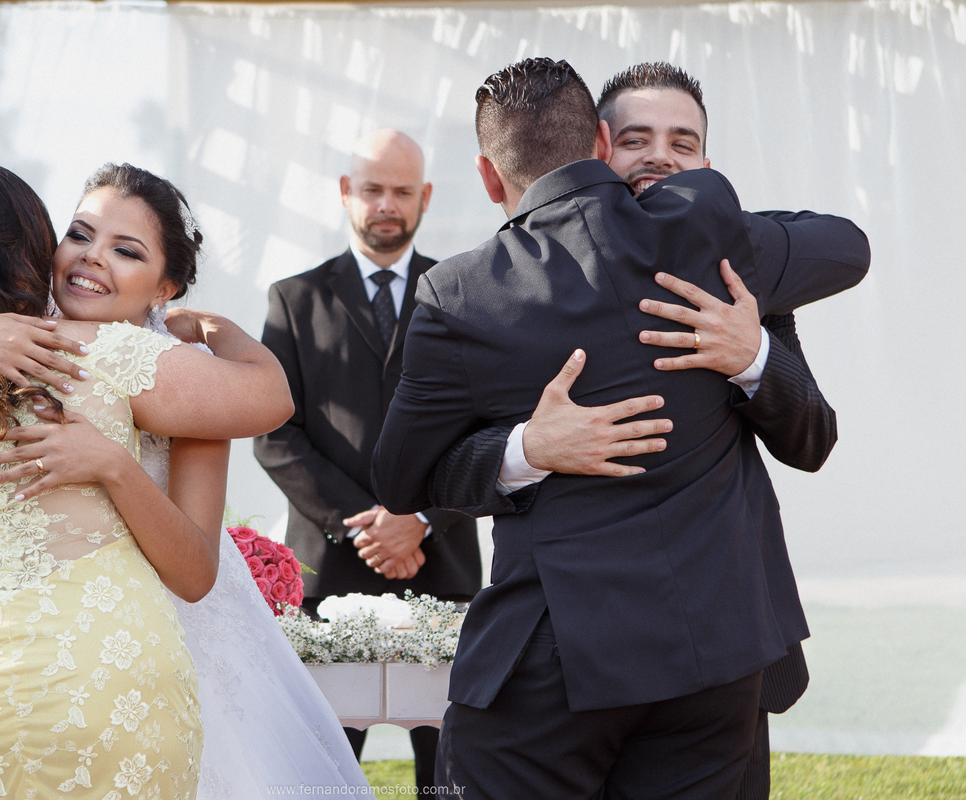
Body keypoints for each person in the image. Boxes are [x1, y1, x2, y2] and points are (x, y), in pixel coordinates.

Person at [371, 58, 868, 799]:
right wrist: (524, 451)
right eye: (639, 138)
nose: (662, 156)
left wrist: (750, 353)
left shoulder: (730, 269)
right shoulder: (714, 244)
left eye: (684, 142)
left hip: (718, 649)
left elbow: (814, 440)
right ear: (601, 146)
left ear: (706, 159)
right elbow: (845, 244)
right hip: (566, 653)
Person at [0, 163, 372, 798]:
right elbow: (268, 396)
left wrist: (201, 342)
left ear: (165, 287)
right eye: (78, 234)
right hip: (114, 676)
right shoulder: (80, 350)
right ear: (38, 250)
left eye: (127, 250)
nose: (92, 258)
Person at [253, 128, 481, 790]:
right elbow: (275, 432)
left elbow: (488, 426)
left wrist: (421, 518)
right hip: (331, 573)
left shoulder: (465, 293)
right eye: (373, 189)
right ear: (346, 192)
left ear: (426, 197)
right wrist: (368, 521)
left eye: (402, 191)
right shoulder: (293, 300)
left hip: (443, 566)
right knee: (326, 766)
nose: (388, 204)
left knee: (448, 775)